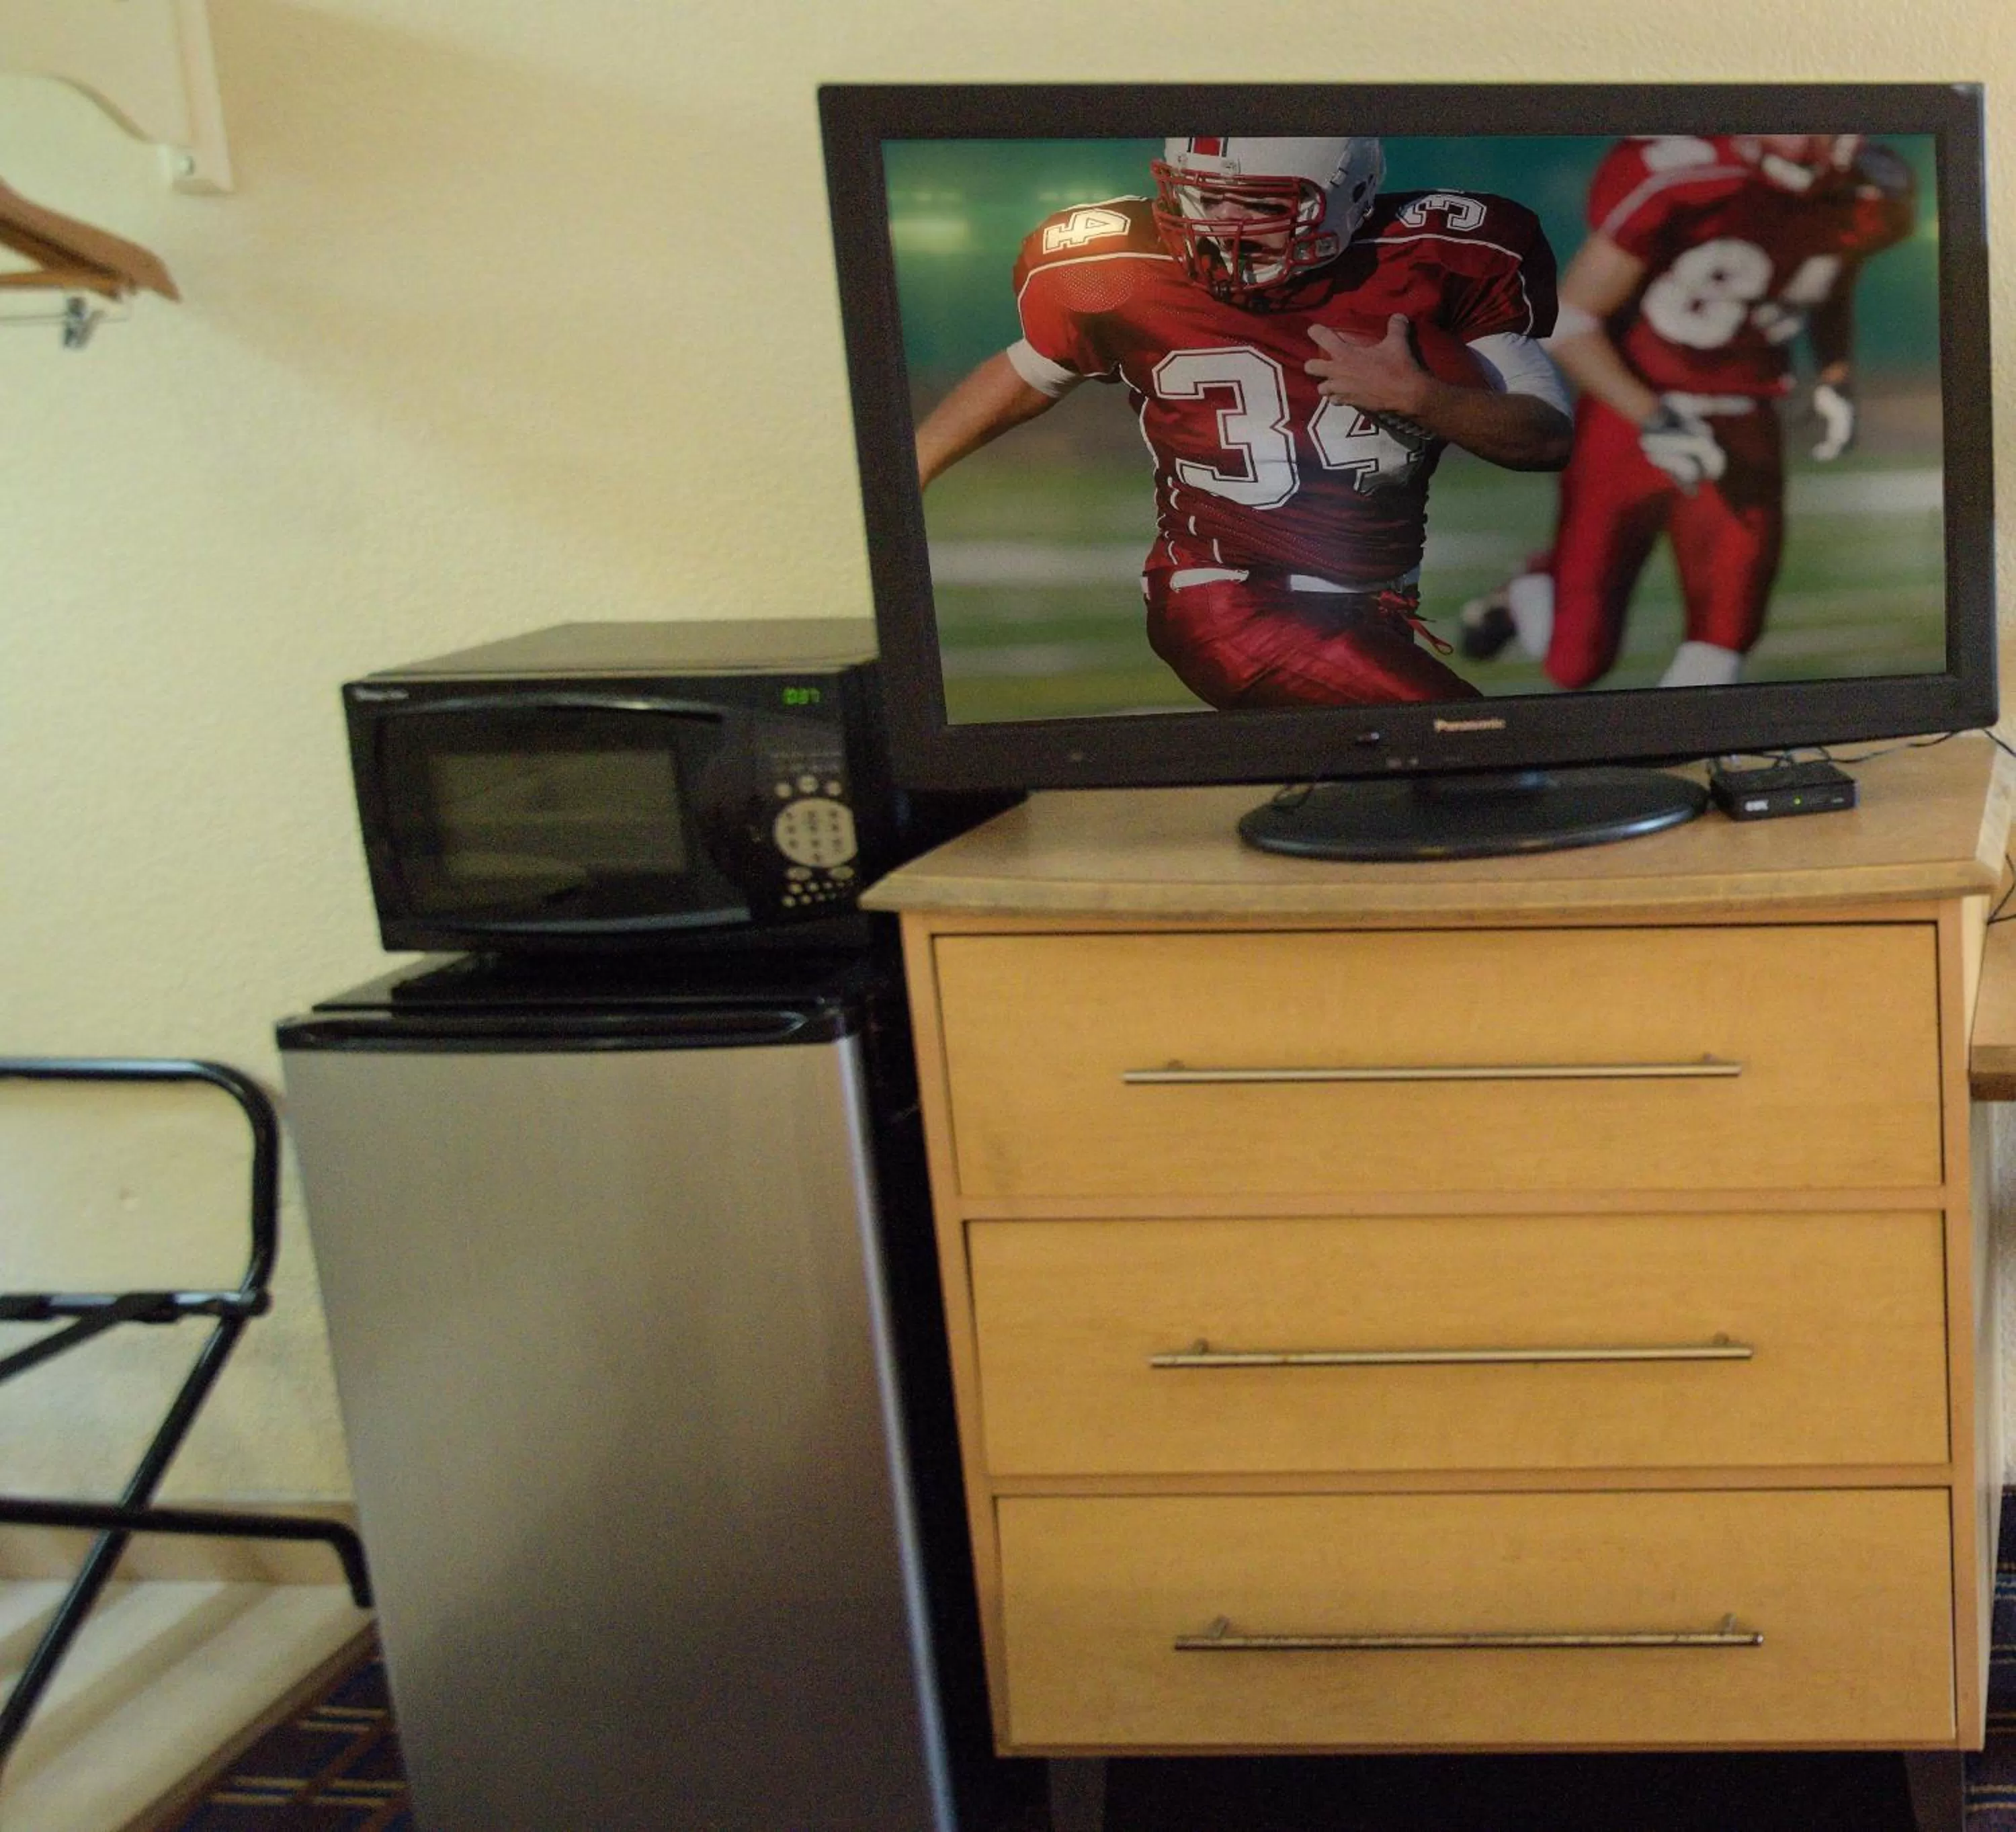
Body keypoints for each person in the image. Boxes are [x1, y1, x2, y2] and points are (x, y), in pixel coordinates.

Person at [915, 136, 1572, 709]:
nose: (1220, 226)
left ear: (1348, 197)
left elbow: (1546, 436)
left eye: (1259, 205)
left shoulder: (1434, 258)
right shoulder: (1122, 270)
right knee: (1466, 743)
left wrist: (1425, 398)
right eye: (1204, 198)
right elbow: (1032, 369)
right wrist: (905, 473)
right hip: (1227, 601)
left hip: (1374, 605)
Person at [1458, 133, 1917, 689]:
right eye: (1820, 122)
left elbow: (1828, 281)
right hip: (1631, 415)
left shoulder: (1868, 187)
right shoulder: (1684, 176)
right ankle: (1534, 585)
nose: (1846, 140)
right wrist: (1655, 418)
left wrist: (1834, 376)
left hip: (1746, 416)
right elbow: (1570, 319)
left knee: (1725, 642)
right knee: (1575, 665)